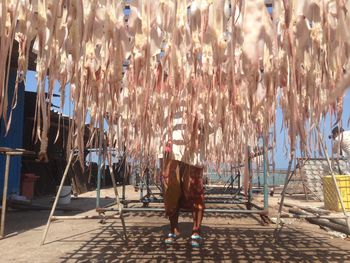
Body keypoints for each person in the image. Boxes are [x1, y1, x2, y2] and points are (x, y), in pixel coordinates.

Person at [159, 109, 209, 248]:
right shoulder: (167, 98)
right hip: (169, 150)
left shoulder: (201, 97)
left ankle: (196, 231)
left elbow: (210, 124)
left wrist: (200, 125)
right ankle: (173, 229)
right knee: (170, 189)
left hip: (194, 151)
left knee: (195, 188)